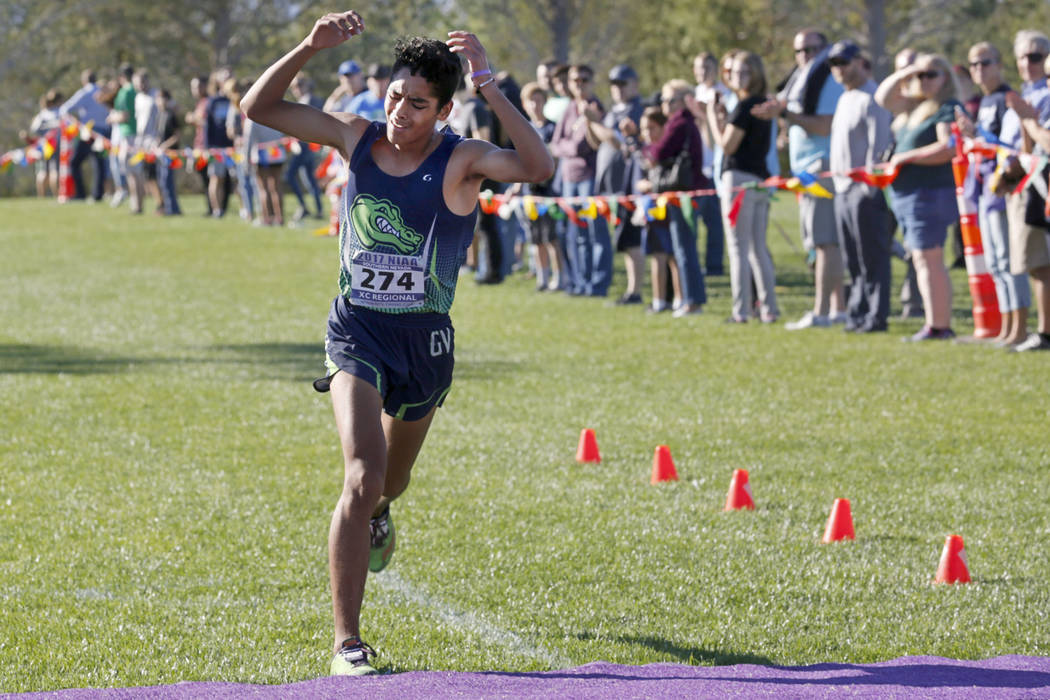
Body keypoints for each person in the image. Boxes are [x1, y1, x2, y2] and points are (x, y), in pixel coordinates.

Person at [240, 11, 553, 676]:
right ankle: (347, 642)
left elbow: (538, 165)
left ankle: (380, 510)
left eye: (416, 104)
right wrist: (308, 46)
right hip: (357, 329)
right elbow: (257, 107)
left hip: (425, 342)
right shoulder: (355, 139)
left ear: (443, 110)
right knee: (361, 475)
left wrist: (491, 84)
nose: (399, 113)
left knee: (393, 481)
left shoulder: (462, 158)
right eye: (392, 96)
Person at [754, 29, 846, 329]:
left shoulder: (828, 76)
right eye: (799, 50)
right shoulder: (800, 76)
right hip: (805, 170)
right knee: (820, 243)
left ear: (824, 48)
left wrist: (787, 115)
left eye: (811, 49)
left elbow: (825, 126)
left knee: (824, 243)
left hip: (822, 166)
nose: (805, 56)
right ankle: (837, 309)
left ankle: (821, 312)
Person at [876, 53, 961, 341]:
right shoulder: (915, 106)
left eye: (931, 74)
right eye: (920, 76)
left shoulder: (947, 107)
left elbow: (948, 147)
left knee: (929, 258)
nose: (923, 80)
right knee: (922, 258)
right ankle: (934, 322)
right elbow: (883, 97)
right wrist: (908, 71)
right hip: (907, 194)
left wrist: (905, 158)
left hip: (930, 192)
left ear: (945, 77)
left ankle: (939, 325)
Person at [958, 41, 1031, 345]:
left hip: (1002, 188)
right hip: (985, 190)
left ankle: (1019, 328)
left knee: (1009, 259)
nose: (979, 70)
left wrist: (977, 135)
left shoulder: (1005, 98)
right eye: (973, 64)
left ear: (1000, 65)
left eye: (985, 63)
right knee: (996, 262)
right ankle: (1005, 327)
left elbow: (1009, 146)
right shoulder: (984, 101)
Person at [623, 79, 707, 316]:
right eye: (663, 99)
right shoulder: (685, 122)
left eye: (669, 100)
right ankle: (687, 299)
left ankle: (691, 300)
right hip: (685, 192)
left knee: (683, 248)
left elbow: (658, 153)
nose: (664, 104)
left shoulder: (679, 122)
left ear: (684, 102)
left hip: (682, 192)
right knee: (681, 247)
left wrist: (641, 144)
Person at [827, 40, 894, 333]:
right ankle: (857, 311)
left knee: (872, 257)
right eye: (834, 64)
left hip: (864, 189)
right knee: (852, 257)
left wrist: (871, 188)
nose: (839, 69)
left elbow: (878, 146)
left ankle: (876, 316)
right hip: (841, 188)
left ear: (859, 62)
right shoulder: (844, 98)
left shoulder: (873, 97)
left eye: (843, 62)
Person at [708, 51, 779, 323]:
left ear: (756, 74)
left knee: (739, 248)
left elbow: (727, 145)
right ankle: (769, 308)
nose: (738, 78)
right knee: (757, 247)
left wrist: (712, 118)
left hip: (739, 180)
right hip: (759, 179)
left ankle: (741, 310)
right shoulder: (762, 104)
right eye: (734, 73)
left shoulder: (746, 104)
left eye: (744, 72)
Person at [999, 30, 1050, 351]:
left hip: (1042, 186)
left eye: (1036, 57)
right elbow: (1029, 147)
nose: (1029, 64)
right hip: (1030, 185)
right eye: (1023, 57)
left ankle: (1044, 332)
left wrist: (1030, 122)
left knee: (1041, 263)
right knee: (1034, 264)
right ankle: (1040, 330)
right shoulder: (1027, 94)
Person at [587, 64, 646, 304]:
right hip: (610, 185)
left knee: (631, 240)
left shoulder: (637, 110)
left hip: (628, 185)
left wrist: (595, 122)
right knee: (622, 240)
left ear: (634, 84)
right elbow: (595, 143)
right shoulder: (613, 112)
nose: (618, 89)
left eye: (623, 84)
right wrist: (591, 123)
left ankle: (635, 291)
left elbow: (617, 140)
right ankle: (631, 290)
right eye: (614, 85)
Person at [551, 64, 609, 296]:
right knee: (573, 235)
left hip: (589, 177)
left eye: (584, 80)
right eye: (575, 80)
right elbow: (556, 143)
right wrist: (569, 147)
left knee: (594, 233)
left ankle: (597, 283)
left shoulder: (594, 107)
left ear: (592, 82)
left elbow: (581, 145)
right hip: (568, 178)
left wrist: (568, 146)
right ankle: (578, 282)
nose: (579, 84)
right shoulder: (570, 108)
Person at [693, 51, 731, 275]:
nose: (702, 72)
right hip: (697, 164)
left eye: (706, 67)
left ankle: (714, 264)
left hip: (715, 163)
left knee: (714, 221)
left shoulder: (722, 94)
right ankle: (697, 263)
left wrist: (703, 115)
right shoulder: (696, 92)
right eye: (698, 67)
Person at [59, 69, 111, 202]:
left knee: (75, 163)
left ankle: (80, 193)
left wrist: (74, 122)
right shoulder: (104, 91)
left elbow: (64, 109)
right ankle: (97, 195)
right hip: (105, 131)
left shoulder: (84, 92)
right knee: (99, 164)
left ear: (84, 80)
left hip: (89, 132)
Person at [24, 89, 63, 198]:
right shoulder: (61, 113)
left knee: (43, 171)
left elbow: (33, 129)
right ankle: (57, 195)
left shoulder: (41, 115)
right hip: (57, 144)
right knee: (55, 170)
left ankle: (41, 196)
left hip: (44, 145)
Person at [155, 88, 183, 216]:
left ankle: (173, 209)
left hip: (171, 154)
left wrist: (165, 146)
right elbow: (159, 135)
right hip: (161, 154)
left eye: (163, 99)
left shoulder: (171, 116)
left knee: (168, 181)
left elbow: (177, 136)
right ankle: (168, 207)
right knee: (162, 181)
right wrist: (156, 145)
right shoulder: (159, 115)